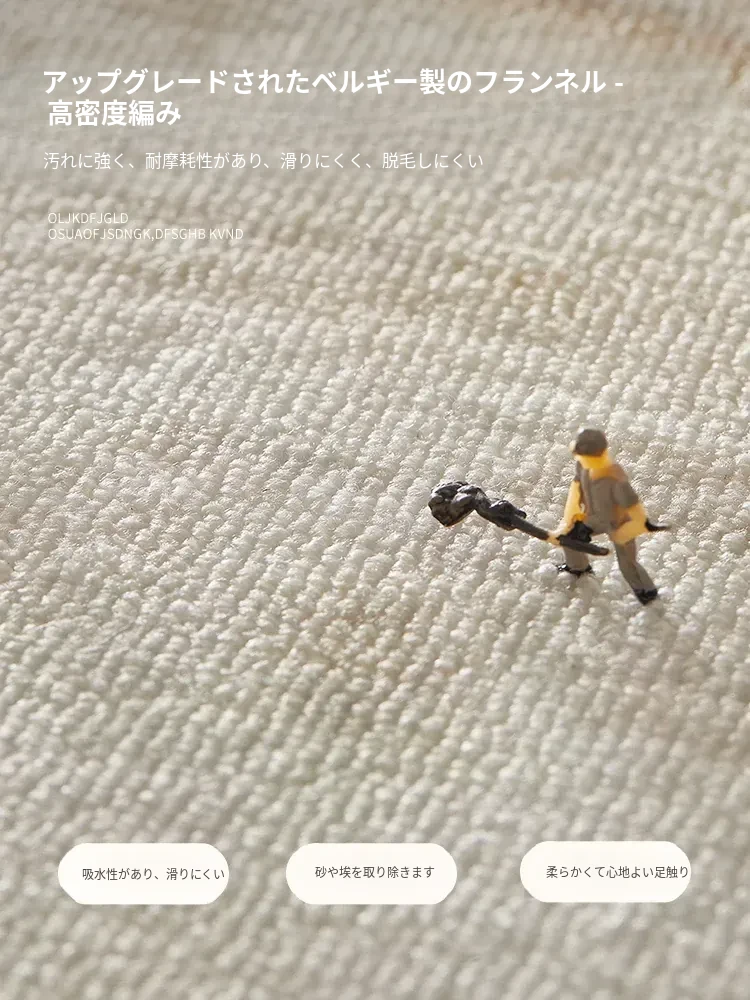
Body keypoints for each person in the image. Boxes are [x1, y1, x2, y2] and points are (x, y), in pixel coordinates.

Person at [555, 428, 661, 605]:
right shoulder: (581, 465)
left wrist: (639, 524)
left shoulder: (614, 476)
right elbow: (577, 488)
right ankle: (578, 567)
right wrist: (574, 516)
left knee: (627, 562)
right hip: (593, 518)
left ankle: (647, 591)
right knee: (569, 536)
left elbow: (631, 503)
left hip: (618, 523)